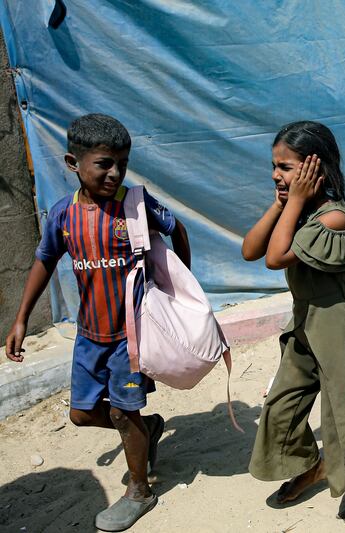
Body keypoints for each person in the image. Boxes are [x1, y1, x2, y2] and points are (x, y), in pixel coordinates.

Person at [5, 113, 191, 531]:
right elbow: (44, 260)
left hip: (131, 335)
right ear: (74, 163)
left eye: (121, 163)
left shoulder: (137, 206)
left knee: (124, 414)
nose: (114, 172)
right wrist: (19, 320)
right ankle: (148, 428)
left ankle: (140, 491)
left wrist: (180, 285)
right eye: (103, 163)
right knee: (81, 414)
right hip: (90, 335)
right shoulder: (62, 217)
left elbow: (178, 230)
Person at [242, 121, 345, 526]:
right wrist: (283, 203)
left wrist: (295, 202)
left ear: (314, 168)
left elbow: (275, 258)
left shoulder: (334, 217)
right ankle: (312, 464)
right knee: (282, 405)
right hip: (305, 321)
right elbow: (251, 250)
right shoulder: (296, 210)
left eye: (285, 167)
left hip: (338, 326)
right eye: (274, 166)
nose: (275, 175)